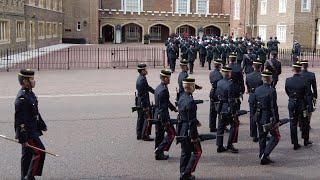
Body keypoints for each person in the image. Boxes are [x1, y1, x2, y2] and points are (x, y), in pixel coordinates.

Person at [15, 69, 47, 180]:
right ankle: (29, 177)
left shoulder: (29, 93)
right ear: (25, 81)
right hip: (28, 133)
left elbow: (35, 112)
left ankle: (24, 176)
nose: (34, 81)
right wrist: (23, 139)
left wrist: (41, 124)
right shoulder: (22, 98)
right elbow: (20, 121)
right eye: (31, 79)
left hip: (33, 129)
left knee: (27, 155)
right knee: (40, 152)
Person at [253, 70, 280, 165]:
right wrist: (276, 119)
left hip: (259, 115)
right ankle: (265, 154)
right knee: (276, 136)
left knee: (262, 137)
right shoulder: (272, 91)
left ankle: (262, 155)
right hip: (268, 117)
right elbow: (273, 107)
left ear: (262, 78)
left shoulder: (257, 89)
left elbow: (254, 103)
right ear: (270, 79)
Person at [177, 77, 202, 180]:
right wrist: (194, 136)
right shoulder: (191, 101)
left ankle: (182, 171)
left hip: (181, 127)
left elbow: (185, 114)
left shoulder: (181, 97)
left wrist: (195, 121)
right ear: (191, 87)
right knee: (197, 152)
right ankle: (186, 174)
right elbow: (191, 121)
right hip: (188, 130)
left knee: (185, 152)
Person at [285, 62, 312, 150]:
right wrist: (309, 106)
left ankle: (295, 143)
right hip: (302, 103)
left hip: (292, 102)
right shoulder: (305, 80)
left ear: (293, 70)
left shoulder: (288, 80)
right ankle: (305, 140)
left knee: (293, 123)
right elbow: (307, 94)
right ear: (300, 70)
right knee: (304, 122)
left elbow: (287, 92)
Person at [215, 66, 239, 153]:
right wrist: (233, 111)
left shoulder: (219, 82)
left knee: (220, 127)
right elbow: (231, 99)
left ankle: (219, 145)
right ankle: (230, 144)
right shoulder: (230, 85)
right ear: (229, 74)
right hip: (227, 107)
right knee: (234, 125)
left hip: (220, 107)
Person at [154, 69, 177, 160]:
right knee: (172, 133)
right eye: (168, 78)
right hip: (162, 115)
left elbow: (166, 102)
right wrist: (165, 121)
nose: (169, 79)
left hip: (157, 113)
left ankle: (158, 154)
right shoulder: (164, 90)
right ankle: (159, 150)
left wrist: (173, 108)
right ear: (165, 78)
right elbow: (163, 107)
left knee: (159, 135)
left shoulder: (159, 87)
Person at [135, 63, 155, 141]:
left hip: (139, 101)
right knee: (147, 118)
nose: (146, 71)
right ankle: (145, 135)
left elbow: (148, 88)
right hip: (143, 101)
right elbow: (144, 93)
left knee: (140, 118)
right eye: (145, 69)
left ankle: (139, 134)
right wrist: (146, 106)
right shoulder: (142, 80)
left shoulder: (141, 78)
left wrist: (155, 92)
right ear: (142, 71)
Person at [245, 59, 263, 142]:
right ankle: (261, 133)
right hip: (260, 97)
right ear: (261, 67)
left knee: (252, 116)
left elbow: (248, 87)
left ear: (253, 66)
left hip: (252, 96)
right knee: (261, 116)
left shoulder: (248, 76)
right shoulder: (263, 76)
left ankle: (254, 135)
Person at [301, 60, 317, 129]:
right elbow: (314, 87)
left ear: (301, 66)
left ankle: (301, 124)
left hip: (300, 95)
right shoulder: (311, 74)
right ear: (307, 66)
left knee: (301, 110)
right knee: (309, 110)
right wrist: (315, 96)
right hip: (308, 95)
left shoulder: (298, 74)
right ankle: (307, 123)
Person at [209, 59, 223, 132]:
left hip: (212, 92)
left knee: (212, 111)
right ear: (219, 66)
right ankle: (221, 126)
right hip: (218, 93)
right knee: (220, 110)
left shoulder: (211, 73)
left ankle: (212, 126)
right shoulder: (220, 75)